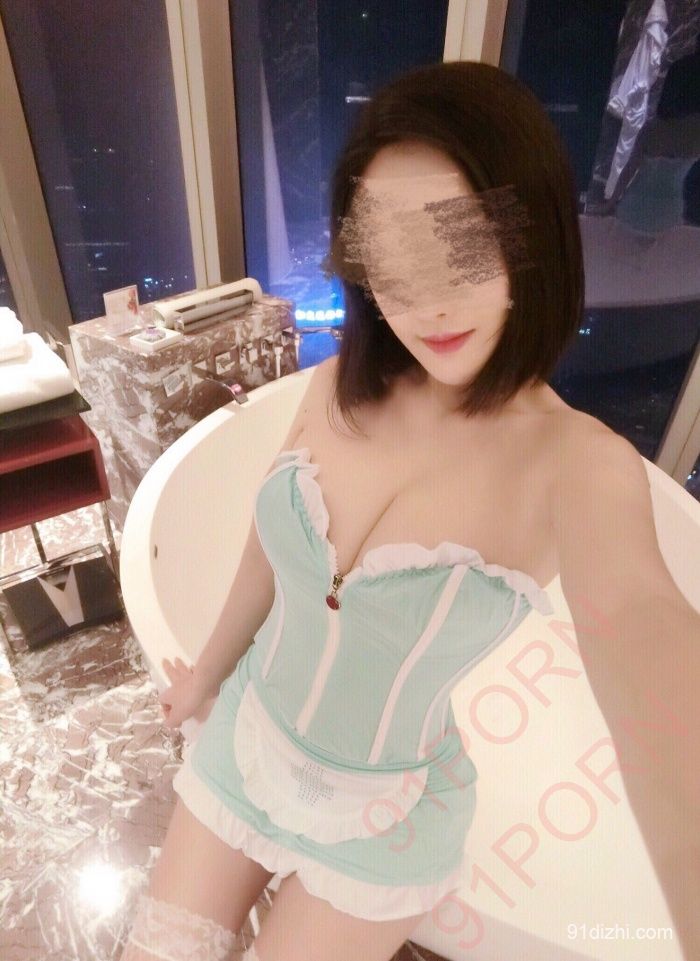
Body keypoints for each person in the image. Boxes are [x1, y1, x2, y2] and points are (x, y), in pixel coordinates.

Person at [120, 60, 700, 961]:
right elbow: (267, 554)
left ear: (533, 241)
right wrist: (205, 676)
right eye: (392, 258)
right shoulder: (333, 387)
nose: (427, 300)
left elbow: (646, 635)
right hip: (248, 738)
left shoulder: (577, 466)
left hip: (384, 823)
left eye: (462, 248)